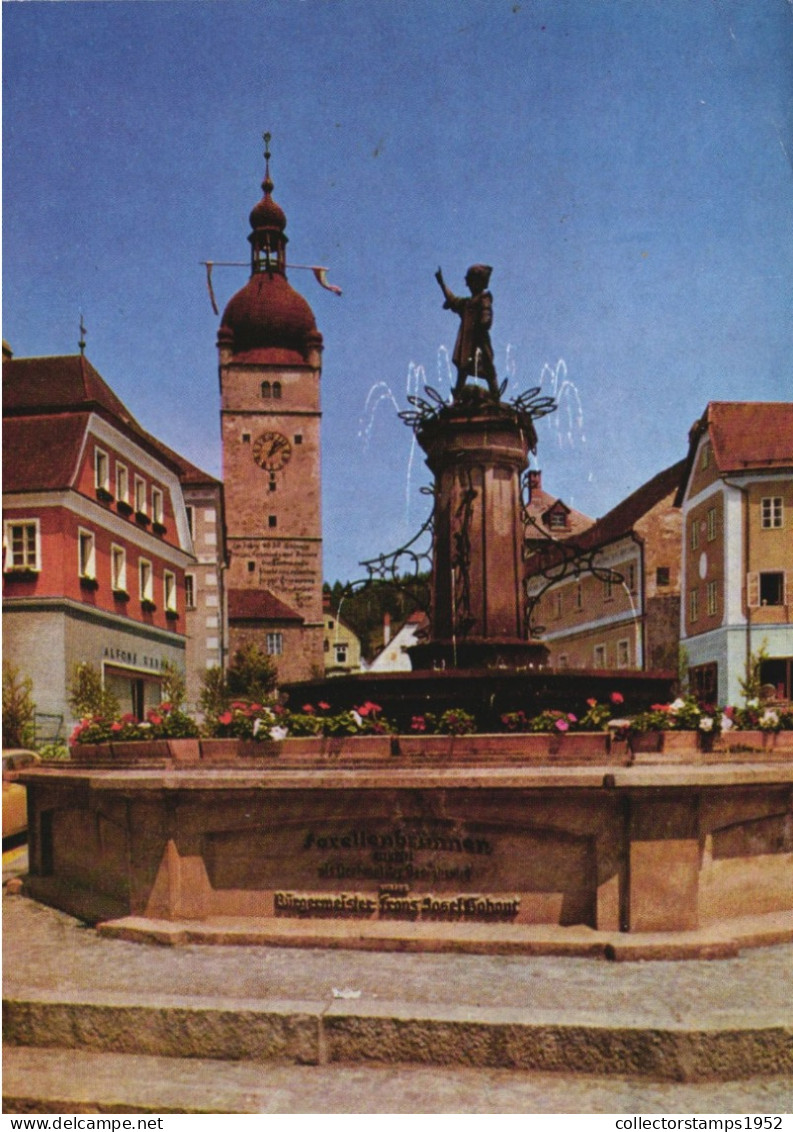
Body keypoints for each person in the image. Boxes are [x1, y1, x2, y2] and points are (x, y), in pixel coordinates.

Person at [435, 264, 500, 400]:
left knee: (488, 368)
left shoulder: (484, 298)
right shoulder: (467, 303)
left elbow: (486, 313)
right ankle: (457, 396)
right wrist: (442, 284)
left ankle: (495, 395)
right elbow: (452, 300)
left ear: (479, 282)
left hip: (480, 341)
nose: (468, 286)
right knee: (463, 369)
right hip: (467, 343)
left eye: (470, 282)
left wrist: (485, 320)